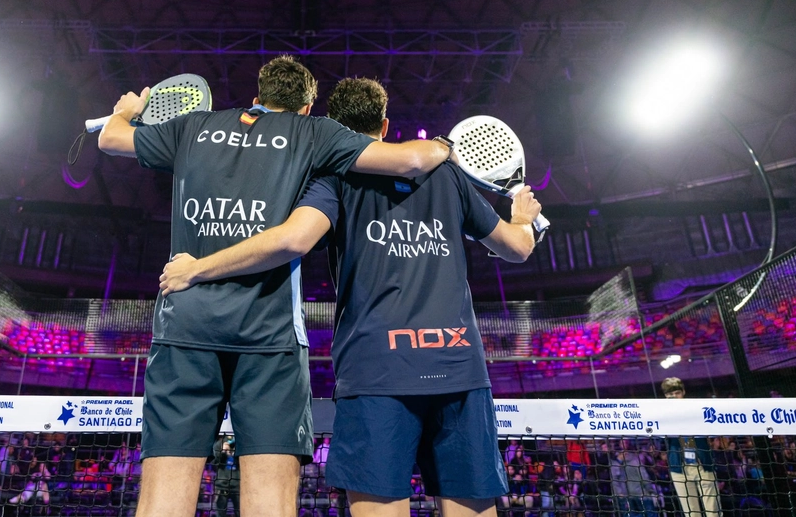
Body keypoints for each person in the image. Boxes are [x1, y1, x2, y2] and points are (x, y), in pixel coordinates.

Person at [159, 77, 540, 517]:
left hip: (376, 371)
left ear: (336, 130)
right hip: (459, 369)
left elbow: (292, 240)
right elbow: (517, 248)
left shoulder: (334, 176)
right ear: (384, 123)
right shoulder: (448, 175)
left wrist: (199, 268)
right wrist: (524, 217)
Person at [98, 57, 454, 517]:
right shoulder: (314, 133)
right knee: (270, 501)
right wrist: (448, 144)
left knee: (164, 496)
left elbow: (110, 138)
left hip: (184, 329)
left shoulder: (192, 127)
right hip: (268, 338)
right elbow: (411, 158)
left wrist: (126, 110)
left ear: (256, 97)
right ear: (307, 107)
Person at [661, 377, 721, 517]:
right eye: (670, 395)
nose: (674, 397)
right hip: (679, 468)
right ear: (665, 396)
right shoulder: (662, 415)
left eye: (676, 393)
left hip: (703, 464)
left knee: (713, 512)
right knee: (691, 514)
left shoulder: (698, 408)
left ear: (683, 392)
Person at [212, 435, 242, 517]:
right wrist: (223, 451)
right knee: (220, 512)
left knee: (240, 512)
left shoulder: (241, 441)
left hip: (237, 486)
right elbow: (214, 461)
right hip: (222, 486)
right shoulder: (219, 443)